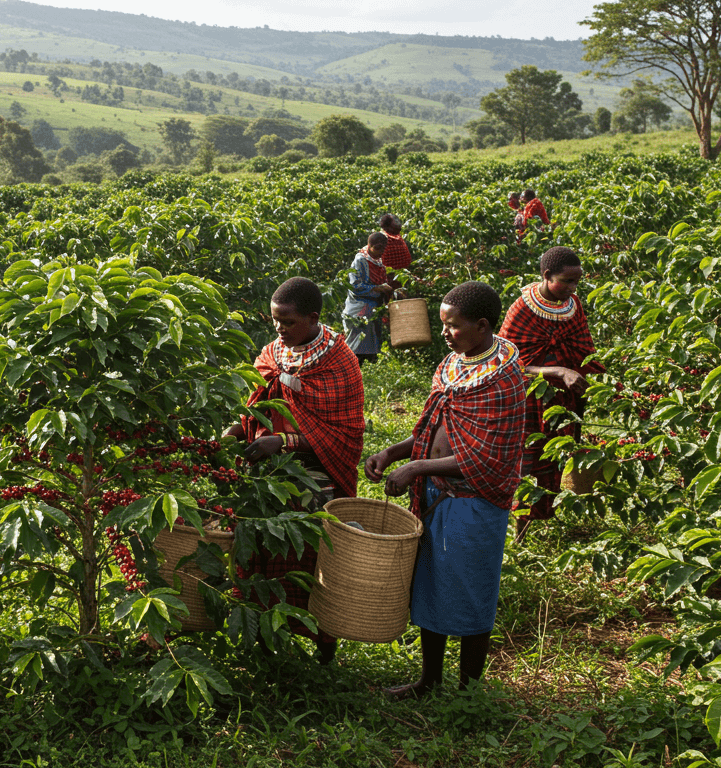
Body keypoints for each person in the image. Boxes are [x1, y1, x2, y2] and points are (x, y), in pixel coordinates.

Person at [364, 280, 526, 698]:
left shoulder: (503, 377)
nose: (446, 333)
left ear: (482, 326)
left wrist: (417, 466)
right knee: (431, 585)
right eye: (443, 324)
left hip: (474, 501)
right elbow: (433, 425)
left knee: (471, 591)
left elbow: (488, 457)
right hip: (437, 493)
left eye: (453, 325)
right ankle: (429, 681)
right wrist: (393, 452)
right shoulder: (453, 364)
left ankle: (469, 693)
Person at [223, 277, 365, 664]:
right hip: (266, 467)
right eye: (275, 321)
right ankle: (262, 634)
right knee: (254, 541)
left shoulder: (339, 360)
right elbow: (255, 406)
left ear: (313, 318)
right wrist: (234, 432)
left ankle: (323, 641)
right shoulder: (272, 353)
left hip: (315, 468)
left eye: (287, 322)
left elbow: (345, 435)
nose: (279, 329)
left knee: (311, 551)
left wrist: (285, 442)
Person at [498, 247, 603, 539]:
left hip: (563, 399)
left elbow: (582, 348)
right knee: (527, 460)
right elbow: (508, 363)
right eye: (567, 281)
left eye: (576, 282)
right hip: (529, 398)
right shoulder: (522, 308)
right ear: (547, 276)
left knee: (554, 458)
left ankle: (541, 520)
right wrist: (557, 371)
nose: (573, 288)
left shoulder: (573, 305)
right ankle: (519, 527)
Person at [343, 233, 395, 366]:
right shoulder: (360, 260)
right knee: (357, 341)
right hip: (359, 307)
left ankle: (371, 366)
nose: (381, 252)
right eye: (377, 248)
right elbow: (355, 286)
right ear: (369, 246)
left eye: (383, 249)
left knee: (372, 341)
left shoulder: (378, 261)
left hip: (373, 308)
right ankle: (353, 367)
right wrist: (377, 288)